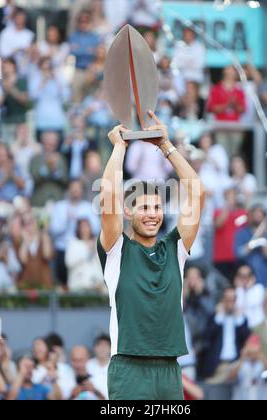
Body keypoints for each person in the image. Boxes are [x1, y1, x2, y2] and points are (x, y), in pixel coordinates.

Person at [97, 112, 204, 400]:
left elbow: (196, 193)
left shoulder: (175, 248)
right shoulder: (117, 250)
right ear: (129, 211)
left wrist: (166, 146)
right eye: (144, 207)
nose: (153, 214)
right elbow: (108, 200)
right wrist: (120, 148)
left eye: (157, 208)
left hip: (170, 368)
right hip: (129, 369)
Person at [50, 180, 100, 287]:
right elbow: (53, 230)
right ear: (68, 190)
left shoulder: (88, 207)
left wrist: (82, 223)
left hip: (82, 248)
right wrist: (67, 220)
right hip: (62, 249)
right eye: (73, 188)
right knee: (62, 283)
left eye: (78, 188)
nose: (75, 191)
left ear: (82, 191)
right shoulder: (60, 207)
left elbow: (96, 228)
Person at [198, 288, 250, 384]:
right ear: (222, 300)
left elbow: (246, 339)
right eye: (227, 299)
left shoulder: (242, 319)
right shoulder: (215, 317)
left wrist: (239, 318)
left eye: (233, 300)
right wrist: (219, 316)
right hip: (219, 365)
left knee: (246, 374)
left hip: (236, 364)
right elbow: (206, 337)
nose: (230, 303)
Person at [235, 205, 267, 288]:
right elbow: (239, 254)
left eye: (260, 214)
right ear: (250, 216)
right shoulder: (242, 233)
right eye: (255, 214)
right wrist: (256, 238)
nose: (258, 216)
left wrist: (262, 239)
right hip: (247, 282)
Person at [213, 186, 248, 280]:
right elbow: (218, 224)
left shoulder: (242, 213)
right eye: (229, 195)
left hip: (238, 256)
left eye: (233, 195)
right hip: (221, 257)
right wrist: (228, 206)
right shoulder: (218, 212)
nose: (231, 197)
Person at [69, 10, 102, 103]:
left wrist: (80, 49)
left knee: (90, 99)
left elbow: (96, 53)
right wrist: (87, 50)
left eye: (86, 21)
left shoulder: (95, 37)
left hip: (91, 70)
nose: (83, 24)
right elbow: (73, 52)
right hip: (78, 70)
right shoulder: (74, 36)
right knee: (76, 99)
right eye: (81, 21)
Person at [30, 131, 68, 207]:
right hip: (39, 201)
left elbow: (65, 180)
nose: (51, 146)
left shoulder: (61, 159)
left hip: (57, 199)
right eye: (49, 143)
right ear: (43, 143)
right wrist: (47, 168)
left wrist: (55, 171)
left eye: (53, 144)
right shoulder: (36, 158)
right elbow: (35, 178)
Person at [65, 219, 104, 293]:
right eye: (82, 227)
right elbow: (69, 262)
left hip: (95, 286)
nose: (84, 230)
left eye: (86, 227)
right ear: (78, 229)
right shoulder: (73, 244)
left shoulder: (97, 243)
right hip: (78, 285)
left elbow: (101, 264)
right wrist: (86, 250)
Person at [17, 213, 54, 290]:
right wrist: (25, 242)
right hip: (27, 283)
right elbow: (23, 260)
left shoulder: (44, 237)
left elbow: (47, 255)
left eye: (30, 222)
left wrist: (44, 234)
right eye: (25, 223)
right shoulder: (21, 241)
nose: (28, 226)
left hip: (44, 282)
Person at [183, 266, 215, 354]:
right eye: (189, 277)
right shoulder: (183, 294)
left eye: (195, 277)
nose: (192, 280)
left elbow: (211, 312)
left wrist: (200, 293)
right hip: (189, 338)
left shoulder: (206, 293)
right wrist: (184, 296)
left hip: (205, 339)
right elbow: (180, 312)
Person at [231, 335, 267, 401]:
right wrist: (242, 358)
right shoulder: (239, 363)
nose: (253, 352)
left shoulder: (263, 363)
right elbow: (231, 378)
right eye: (251, 346)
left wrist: (261, 356)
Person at [0, 57, 29, 145]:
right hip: (6, 121)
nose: (5, 68)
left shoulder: (22, 80)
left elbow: (24, 100)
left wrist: (10, 87)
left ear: (14, 66)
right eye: (3, 66)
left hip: (20, 122)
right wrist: (5, 89)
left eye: (7, 65)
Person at [234, 264, 265, 329]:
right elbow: (237, 306)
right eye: (242, 276)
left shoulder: (259, 288)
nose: (245, 278)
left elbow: (253, 302)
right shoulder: (237, 291)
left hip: (257, 326)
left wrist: (246, 289)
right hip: (241, 327)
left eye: (248, 275)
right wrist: (241, 289)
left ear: (253, 277)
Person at [87, 334, 111, 400]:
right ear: (94, 348)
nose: (102, 348)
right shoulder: (87, 365)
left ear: (110, 348)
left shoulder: (115, 367)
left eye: (106, 345)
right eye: (99, 345)